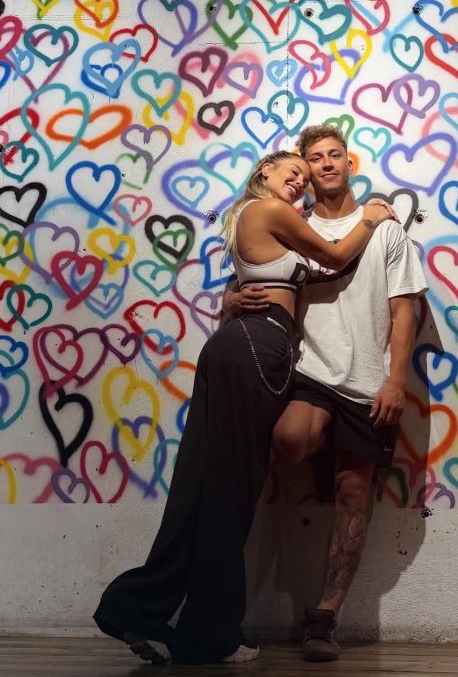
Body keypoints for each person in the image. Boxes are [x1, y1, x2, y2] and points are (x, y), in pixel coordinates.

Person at [92, 150, 395, 666]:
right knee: (230, 491)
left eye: (303, 178)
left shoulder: (255, 219)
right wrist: (370, 216)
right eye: (292, 172)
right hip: (258, 346)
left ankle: (141, 608)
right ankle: (209, 634)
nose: (299, 182)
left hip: (237, 345)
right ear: (264, 173)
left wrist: (230, 298)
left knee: (201, 483)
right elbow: (338, 256)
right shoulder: (269, 209)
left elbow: (293, 274)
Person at [227, 125, 428, 662]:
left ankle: (324, 617)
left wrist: (396, 381)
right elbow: (253, 269)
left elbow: (404, 311)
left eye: (334, 154)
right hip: (309, 370)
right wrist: (231, 299)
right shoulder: (294, 223)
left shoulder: (386, 228)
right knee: (289, 439)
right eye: (314, 158)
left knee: (352, 493)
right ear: (306, 170)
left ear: (349, 163)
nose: (326, 163)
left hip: (368, 382)